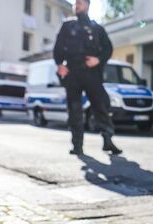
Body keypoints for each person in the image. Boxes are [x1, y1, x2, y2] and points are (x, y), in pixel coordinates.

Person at [53, 0, 120, 155]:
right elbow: (58, 47)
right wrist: (59, 64)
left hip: (92, 73)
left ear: (88, 5)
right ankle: (77, 145)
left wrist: (98, 60)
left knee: (101, 106)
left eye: (80, 3)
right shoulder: (67, 26)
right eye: (76, 3)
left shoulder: (97, 28)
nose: (77, 5)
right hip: (72, 72)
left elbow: (108, 48)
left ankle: (108, 140)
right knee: (74, 110)